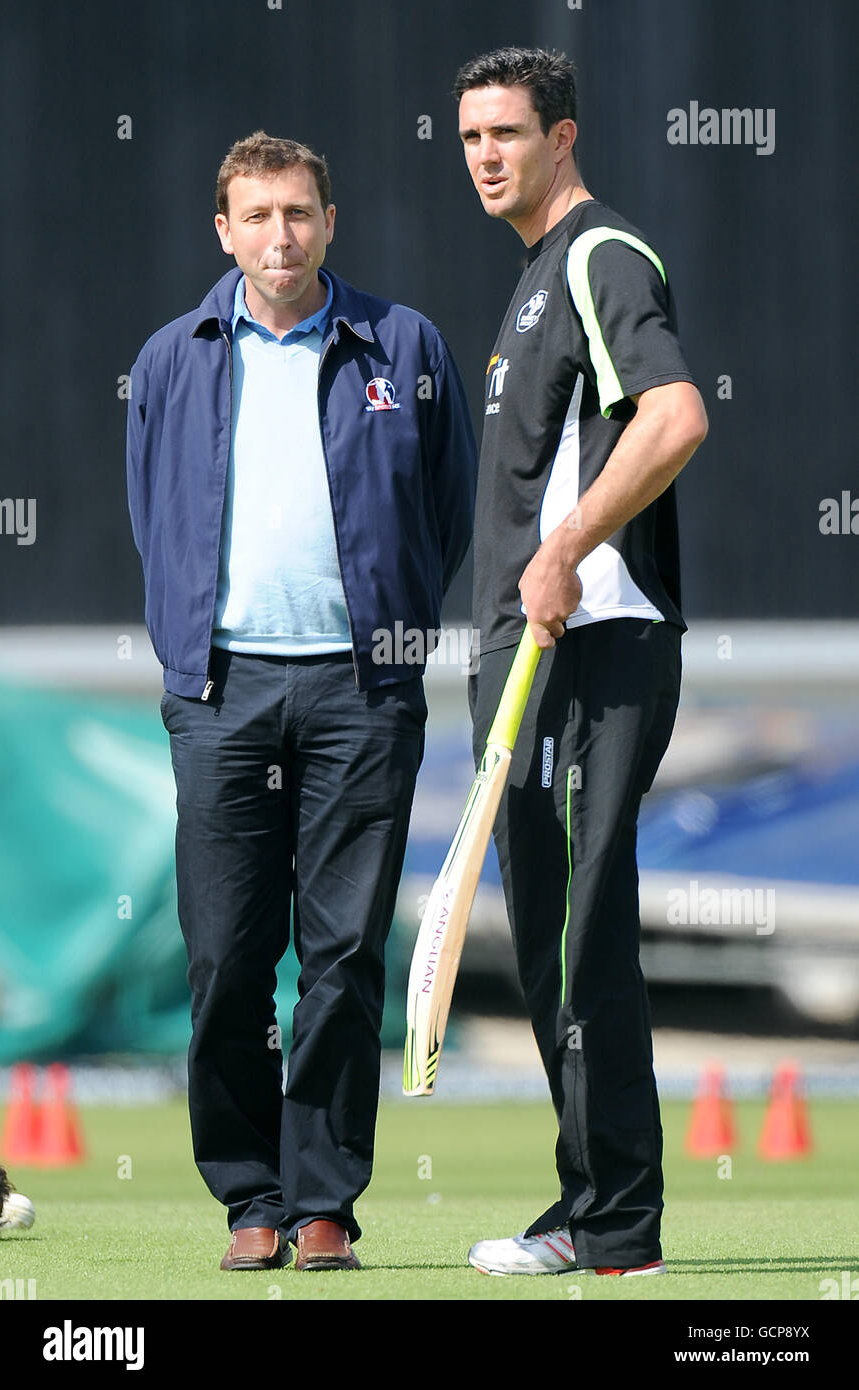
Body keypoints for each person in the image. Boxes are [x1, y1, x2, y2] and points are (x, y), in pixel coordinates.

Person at [126, 131, 476, 1272]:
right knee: (226, 954)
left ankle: (323, 1200)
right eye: (257, 216)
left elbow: (447, 507)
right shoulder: (174, 357)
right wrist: (194, 649)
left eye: (298, 213)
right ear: (222, 232)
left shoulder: (404, 343)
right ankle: (248, 1199)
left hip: (359, 693)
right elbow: (153, 513)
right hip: (221, 692)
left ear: (330, 222)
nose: (280, 235)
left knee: (340, 957)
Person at [453, 48, 708, 1276]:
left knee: (582, 930)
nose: (486, 155)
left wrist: (563, 548)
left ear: (562, 137)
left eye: (507, 132)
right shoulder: (531, 283)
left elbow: (675, 415)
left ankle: (615, 1227)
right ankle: (590, 1210)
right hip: (527, 660)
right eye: (469, 138)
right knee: (556, 928)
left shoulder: (601, 255)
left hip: (593, 643)